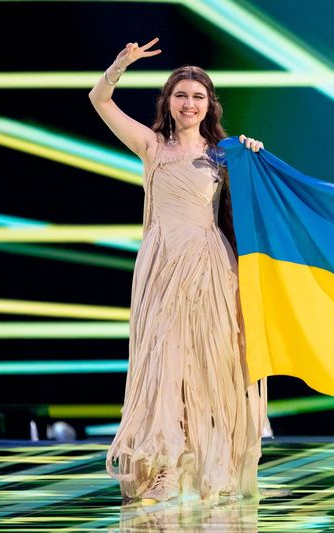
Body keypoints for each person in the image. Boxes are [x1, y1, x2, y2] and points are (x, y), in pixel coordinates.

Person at [89, 38, 268, 502]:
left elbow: (256, 204)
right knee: (163, 366)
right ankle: (164, 468)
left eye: (198, 96)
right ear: (168, 101)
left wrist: (253, 154)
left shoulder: (225, 153)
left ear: (209, 105)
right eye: (182, 95)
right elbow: (99, 100)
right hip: (162, 267)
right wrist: (120, 63)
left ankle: (212, 463)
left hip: (210, 268)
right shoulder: (152, 146)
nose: (190, 103)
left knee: (210, 365)